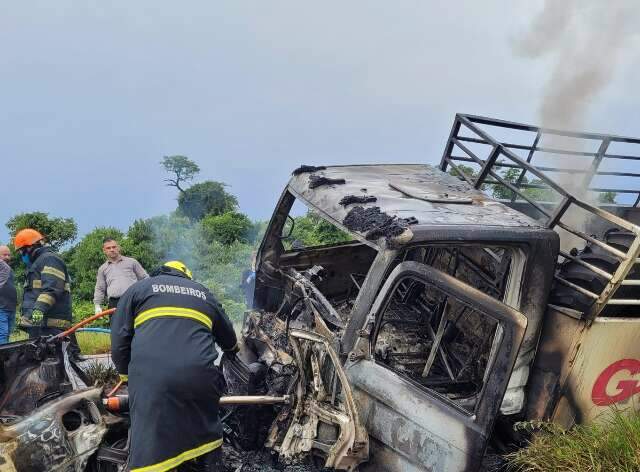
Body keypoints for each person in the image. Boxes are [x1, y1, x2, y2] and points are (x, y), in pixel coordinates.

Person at [111, 261, 238, 472]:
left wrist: (126, 376)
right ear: (186, 277)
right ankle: (209, 462)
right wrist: (233, 350)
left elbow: (119, 340)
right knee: (206, 425)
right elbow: (230, 340)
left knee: (150, 438)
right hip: (201, 378)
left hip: (152, 379)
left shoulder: (139, 289)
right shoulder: (203, 293)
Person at [13, 229, 75, 340]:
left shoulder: (49, 259)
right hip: (41, 323)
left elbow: (52, 288)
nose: (22, 255)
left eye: (22, 251)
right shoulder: (37, 263)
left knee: (52, 356)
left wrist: (39, 309)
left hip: (51, 323)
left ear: (29, 247)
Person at [93, 238, 148, 314]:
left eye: (114, 247)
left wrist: (147, 296)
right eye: (108, 248)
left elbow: (145, 279)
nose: (112, 249)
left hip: (133, 300)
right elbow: (100, 288)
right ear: (104, 250)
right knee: (116, 325)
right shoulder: (102, 269)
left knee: (136, 325)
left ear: (118, 248)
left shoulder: (132, 262)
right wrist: (97, 305)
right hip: (114, 303)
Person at [0, 245, 17, 344]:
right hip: (1, 308)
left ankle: (6, 356)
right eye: (4, 255)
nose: (7, 257)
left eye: (9, 255)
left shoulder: (9, 270)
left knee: (7, 334)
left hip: (11, 308)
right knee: (2, 334)